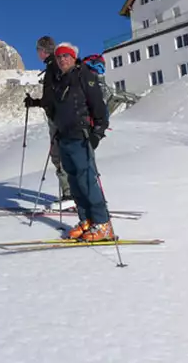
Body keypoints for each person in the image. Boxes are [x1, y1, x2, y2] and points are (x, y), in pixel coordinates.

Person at [48, 42, 113, 242]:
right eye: (58, 57)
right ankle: (86, 220)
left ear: (74, 57)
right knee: (75, 182)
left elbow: (99, 108)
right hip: (65, 137)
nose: (62, 60)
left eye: (65, 56)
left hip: (82, 137)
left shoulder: (85, 76)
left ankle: (102, 223)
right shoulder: (60, 81)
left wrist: (97, 133)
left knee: (87, 181)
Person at [23, 36, 72, 208]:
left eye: (37, 50)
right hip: (63, 116)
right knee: (63, 153)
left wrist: (35, 102)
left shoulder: (52, 68)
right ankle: (73, 193)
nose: (37, 54)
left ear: (43, 51)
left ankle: (69, 194)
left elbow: (50, 98)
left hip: (58, 118)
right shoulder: (56, 66)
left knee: (59, 154)